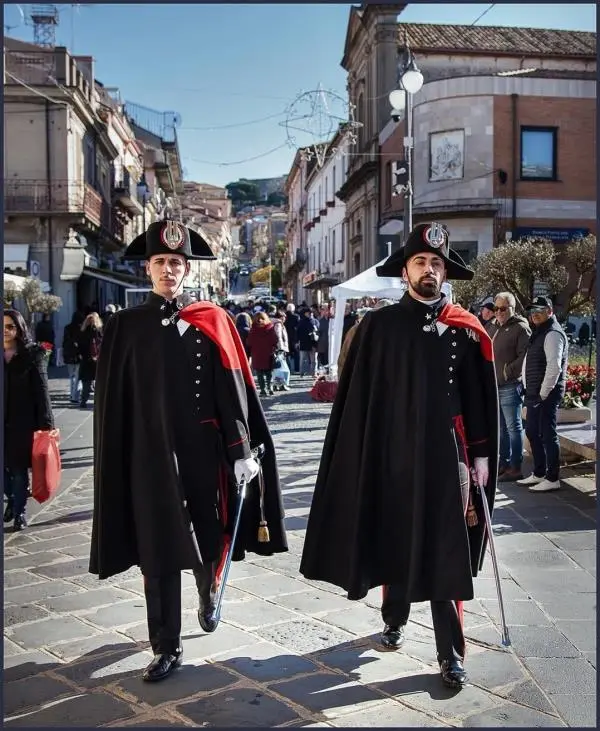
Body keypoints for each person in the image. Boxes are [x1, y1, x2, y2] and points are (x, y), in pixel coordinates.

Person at [300, 222, 499, 690]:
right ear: (405, 270)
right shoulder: (377, 327)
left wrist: (483, 457)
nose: (429, 270)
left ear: (445, 271)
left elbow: (479, 399)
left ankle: (450, 654)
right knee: (393, 536)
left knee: (445, 551)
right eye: (420, 262)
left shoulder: (465, 329)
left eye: (436, 263)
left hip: (447, 458)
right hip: (392, 455)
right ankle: (394, 618)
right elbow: (358, 399)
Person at [89, 220, 287, 683]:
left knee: (207, 535)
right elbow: (112, 404)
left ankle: (208, 587)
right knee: (157, 550)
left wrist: (241, 450)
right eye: (160, 262)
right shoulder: (124, 327)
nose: (168, 270)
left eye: (176, 263)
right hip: (149, 456)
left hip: (203, 452)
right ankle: (165, 645)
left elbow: (231, 390)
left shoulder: (211, 320)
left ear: (187, 270)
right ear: (148, 268)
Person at [4, 309, 54, 531]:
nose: (5, 331)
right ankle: (14, 499)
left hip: (21, 423)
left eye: (10, 326)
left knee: (17, 470)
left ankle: (20, 512)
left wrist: (47, 426)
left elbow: (42, 391)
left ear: (19, 329)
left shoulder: (32, 355)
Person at [518, 296, 568, 493]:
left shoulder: (553, 333)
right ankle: (539, 473)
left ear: (550, 311)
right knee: (532, 432)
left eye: (540, 309)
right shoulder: (540, 332)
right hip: (534, 392)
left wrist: (543, 393)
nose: (535, 313)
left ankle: (552, 477)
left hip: (545, 393)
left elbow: (554, 367)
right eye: (532, 310)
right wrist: (524, 383)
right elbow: (530, 360)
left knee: (547, 434)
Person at [485, 292, 531, 482]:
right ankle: (503, 464)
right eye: (496, 308)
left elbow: (524, 357)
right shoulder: (493, 326)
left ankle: (515, 467)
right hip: (495, 386)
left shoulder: (520, 328)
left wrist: (507, 372)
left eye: (503, 308)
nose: (499, 312)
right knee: (501, 429)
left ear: (512, 308)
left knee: (514, 428)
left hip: (510, 385)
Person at [247, 311, 278, 397]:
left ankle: (263, 390)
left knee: (259, 373)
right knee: (269, 373)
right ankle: (270, 387)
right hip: (268, 354)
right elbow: (275, 340)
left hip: (257, 354)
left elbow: (249, 342)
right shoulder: (270, 328)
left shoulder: (253, 330)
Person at [78, 312, 103, 409]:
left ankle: (83, 401)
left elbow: (79, 345)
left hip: (85, 360)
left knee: (86, 383)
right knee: (99, 383)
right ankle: (98, 402)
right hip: (96, 359)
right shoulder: (97, 331)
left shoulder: (83, 331)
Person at [62, 311, 84, 403]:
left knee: (72, 376)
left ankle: (72, 395)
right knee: (78, 376)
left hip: (69, 354)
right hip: (78, 354)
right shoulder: (82, 328)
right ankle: (76, 396)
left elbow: (64, 341)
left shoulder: (67, 327)